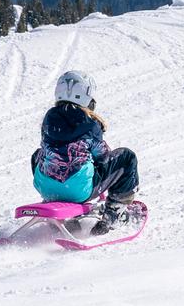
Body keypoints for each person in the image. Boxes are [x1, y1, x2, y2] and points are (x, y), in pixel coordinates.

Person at [30, 70, 139, 232]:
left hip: (46, 187)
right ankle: (115, 212)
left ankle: (60, 206)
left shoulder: (49, 117)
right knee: (127, 156)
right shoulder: (89, 123)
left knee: (38, 154)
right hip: (79, 191)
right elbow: (102, 156)